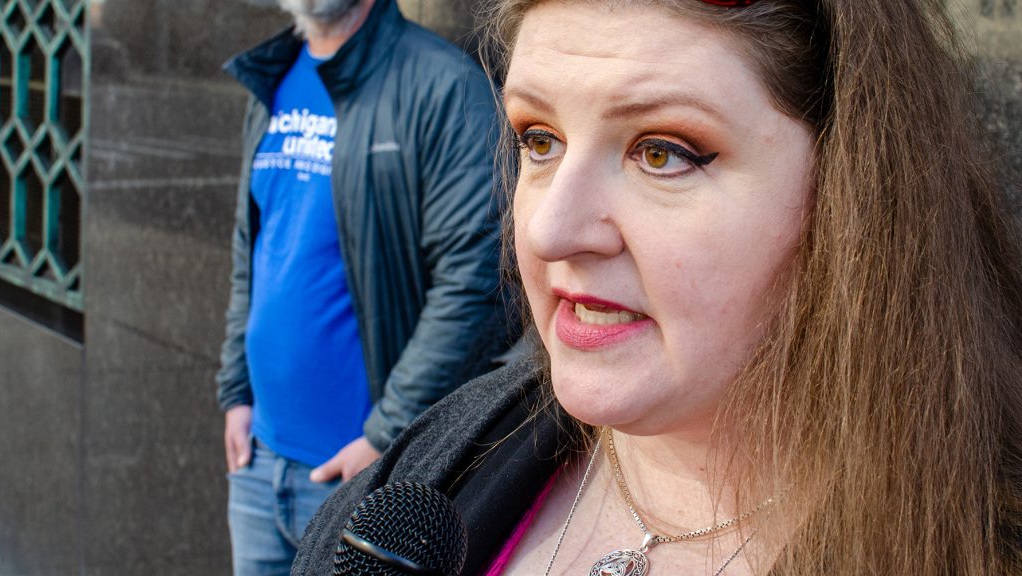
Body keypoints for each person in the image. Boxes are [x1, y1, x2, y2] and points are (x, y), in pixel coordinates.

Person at [293, 0, 1022, 574]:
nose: (551, 229)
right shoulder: (429, 468)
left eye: (662, 152)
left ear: (854, 194)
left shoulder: (982, 531)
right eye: (538, 139)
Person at [214, 0, 510, 573]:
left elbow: (475, 283)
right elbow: (251, 248)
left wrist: (386, 437)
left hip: (366, 478)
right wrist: (236, 392)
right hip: (257, 458)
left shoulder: (444, 88)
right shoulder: (274, 76)